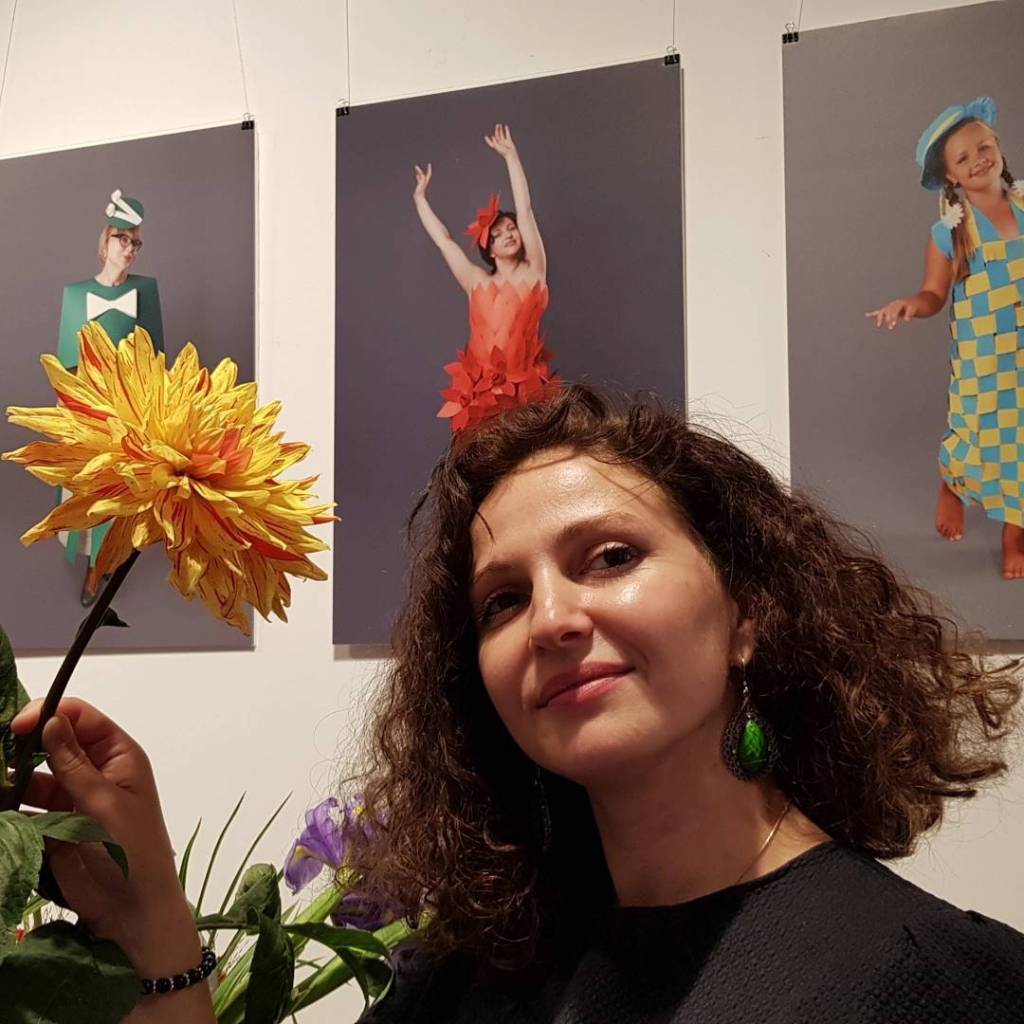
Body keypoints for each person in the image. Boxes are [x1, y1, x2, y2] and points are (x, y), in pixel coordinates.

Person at [11, 386, 1024, 1023]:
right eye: (502, 600)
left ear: (747, 613)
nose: (551, 620)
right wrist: (157, 923)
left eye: (611, 557)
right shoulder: (466, 977)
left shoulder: (938, 981)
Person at [866, 97, 1024, 580]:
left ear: (998, 146)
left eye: (984, 146)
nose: (979, 159)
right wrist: (911, 305)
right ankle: (952, 485)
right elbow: (935, 293)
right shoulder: (950, 232)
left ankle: (1015, 533)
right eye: (964, 157)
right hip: (985, 351)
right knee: (975, 428)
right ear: (951, 175)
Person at [413, 123, 558, 433]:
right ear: (488, 249)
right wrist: (420, 199)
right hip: (480, 396)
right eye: (497, 234)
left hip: (526, 393)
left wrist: (511, 157)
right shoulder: (476, 281)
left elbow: (525, 209)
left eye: (511, 228)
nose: (508, 234)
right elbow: (445, 241)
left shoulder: (534, 271)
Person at [57, 190, 165, 605]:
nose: (130, 249)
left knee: (125, 483)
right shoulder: (75, 294)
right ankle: (94, 564)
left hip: (133, 404)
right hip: (89, 405)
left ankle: (108, 560)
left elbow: (158, 357)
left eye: (137, 242)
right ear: (106, 241)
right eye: (123, 239)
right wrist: (69, 415)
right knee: (92, 484)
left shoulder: (146, 290)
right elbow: (65, 364)